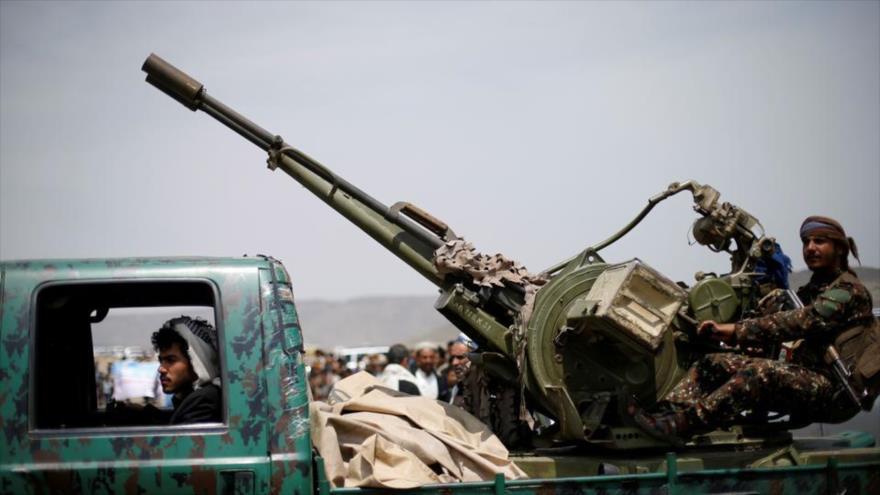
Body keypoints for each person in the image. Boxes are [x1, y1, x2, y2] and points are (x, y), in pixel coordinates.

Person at [631, 216, 878, 443]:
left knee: (759, 373)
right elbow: (778, 319)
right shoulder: (811, 291)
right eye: (806, 242)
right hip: (808, 377)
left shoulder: (849, 292)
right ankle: (665, 414)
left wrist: (736, 330)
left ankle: (681, 426)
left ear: (840, 249)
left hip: (834, 392)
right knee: (713, 363)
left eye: (820, 242)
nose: (810, 248)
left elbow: (801, 321)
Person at [151, 316, 223, 425]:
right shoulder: (191, 398)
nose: (161, 369)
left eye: (171, 360)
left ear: (196, 363)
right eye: (161, 361)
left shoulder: (204, 399)